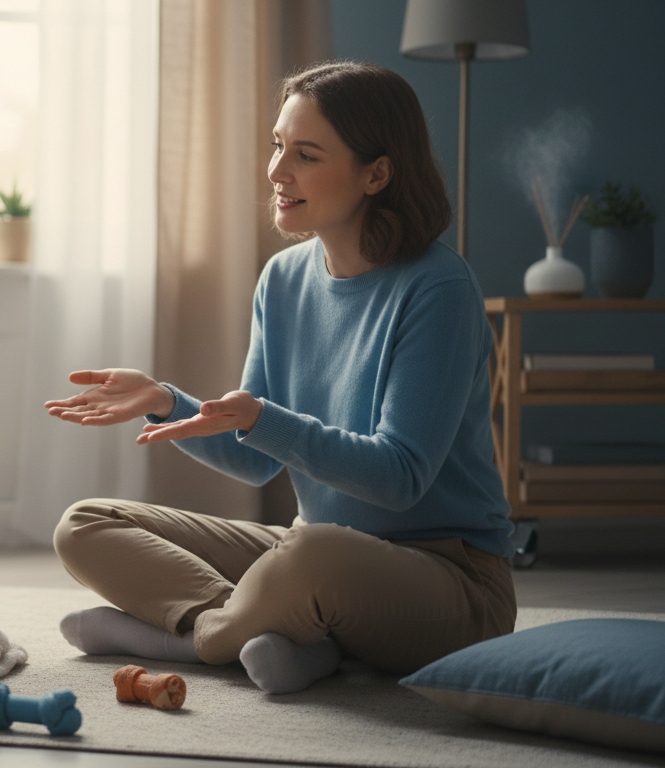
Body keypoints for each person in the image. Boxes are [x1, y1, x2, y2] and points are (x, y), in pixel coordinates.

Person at [45, 61, 516, 695]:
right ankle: (282, 637)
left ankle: (184, 638)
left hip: (453, 580)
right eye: (277, 146)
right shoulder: (284, 279)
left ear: (376, 173)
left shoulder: (439, 289)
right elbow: (257, 459)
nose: (275, 172)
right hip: (310, 553)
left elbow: (401, 478)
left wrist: (265, 420)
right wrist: (165, 401)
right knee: (85, 524)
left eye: (306, 154)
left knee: (305, 560)